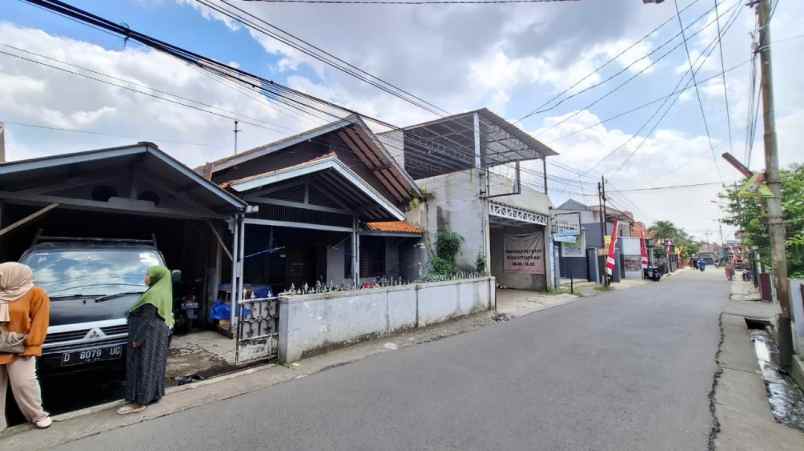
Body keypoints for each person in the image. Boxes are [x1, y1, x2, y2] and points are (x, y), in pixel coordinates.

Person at [0, 262, 51, 431]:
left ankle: (38, 415)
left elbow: (40, 322)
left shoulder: (36, 293)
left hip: (20, 347)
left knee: (24, 383)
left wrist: (32, 344)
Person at [117, 266, 173, 415]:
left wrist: (137, 340)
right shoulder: (164, 291)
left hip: (147, 337)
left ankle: (139, 402)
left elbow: (147, 320)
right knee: (154, 365)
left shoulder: (153, 294)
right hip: (158, 336)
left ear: (156, 277)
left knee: (141, 367)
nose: (145, 278)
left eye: (148, 275)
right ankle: (153, 395)